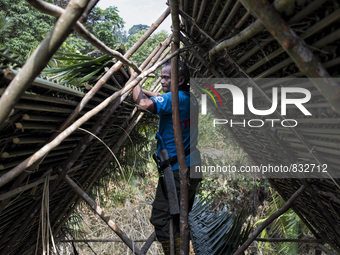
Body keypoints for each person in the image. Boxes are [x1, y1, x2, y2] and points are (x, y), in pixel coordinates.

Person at [133, 59, 201, 255]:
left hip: (177, 171)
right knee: (180, 220)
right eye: (161, 77)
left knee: (161, 219)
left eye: (166, 77)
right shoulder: (189, 97)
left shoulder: (175, 99)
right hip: (192, 166)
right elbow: (163, 98)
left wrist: (134, 80)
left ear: (179, 79)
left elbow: (143, 104)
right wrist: (150, 92)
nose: (161, 81)